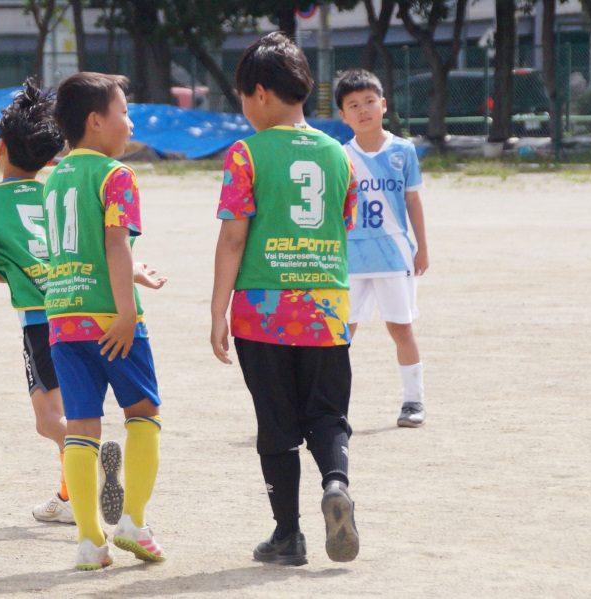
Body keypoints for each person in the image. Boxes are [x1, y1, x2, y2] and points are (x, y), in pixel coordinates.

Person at [210, 32, 360, 566]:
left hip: (262, 312)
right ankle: (336, 483)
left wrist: (217, 310)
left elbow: (234, 237)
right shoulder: (340, 155)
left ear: (260, 93)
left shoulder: (246, 153)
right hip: (325, 306)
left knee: (276, 424)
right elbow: (343, 227)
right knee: (327, 413)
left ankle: (287, 535)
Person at [44, 71, 167, 571]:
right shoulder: (117, 176)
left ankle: (90, 542)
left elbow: (82, 249)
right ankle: (133, 522)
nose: (130, 122)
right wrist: (125, 311)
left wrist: (131, 270)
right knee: (144, 414)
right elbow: (115, 243)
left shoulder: (55, 178)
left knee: (81, 427)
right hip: (109, 316)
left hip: (62, 317)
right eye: (124, 111)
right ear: (96, 121)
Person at [0, 77, 78, 525]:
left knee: (49, 420)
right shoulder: (56, 190)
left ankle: (89, 453)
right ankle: (69, 498)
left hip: (39, 320)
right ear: (48, 158)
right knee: (73, 405)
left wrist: (3, 274)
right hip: (79, 304)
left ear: (1, 149)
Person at [335, 69, 428, 428]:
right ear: (342, 115)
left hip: (393, 255)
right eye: (353, 105)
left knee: (401, 328)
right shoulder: (340, 155)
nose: (363, 110)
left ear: (384, 105)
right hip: (351, 257)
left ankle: (413, 401)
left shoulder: (403, 151)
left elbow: (413, 201)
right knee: (341, 334)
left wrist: (422, 247)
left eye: (369, 102)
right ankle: (332, 407)